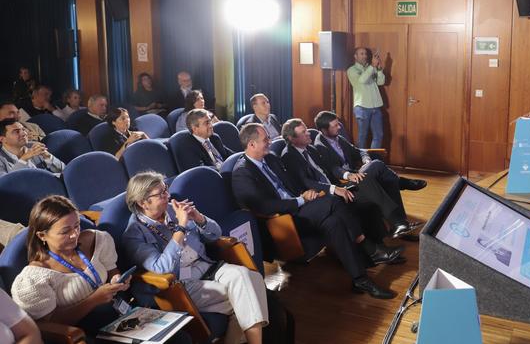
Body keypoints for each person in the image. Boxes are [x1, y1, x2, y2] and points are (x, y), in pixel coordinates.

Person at [231, 123, 400, 299]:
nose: (270, 141)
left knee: (334, 223)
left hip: (301, 206)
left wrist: (305, 194)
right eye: (266, 139)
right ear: (251, 145)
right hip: (283, 220)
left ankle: (360, 279)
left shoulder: (271, 158)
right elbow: (263, 207)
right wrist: (300, 200)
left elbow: (293, 184)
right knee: (335, 202)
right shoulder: (242, 173)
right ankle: (369, 248)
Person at [122, 171, 268, 344]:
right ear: (142, 202)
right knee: (248, 291)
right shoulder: (134, 233)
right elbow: (162, 267)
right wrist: (181, 226)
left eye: (166, 189)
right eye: (161, 194)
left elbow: (216, 234)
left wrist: (198, 218)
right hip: (179, 284)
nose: (168, 196)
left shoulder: (172, 209)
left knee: (250, 277)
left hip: (207, 266)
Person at [10, 196, 147, 343]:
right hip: (82, 335)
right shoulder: (33, 279)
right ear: (42, 235)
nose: (75, 234)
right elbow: (48, 326)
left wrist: (117, 279)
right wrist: (95, 299)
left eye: (77, 225)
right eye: (65, 231)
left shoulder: (96, 240)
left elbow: (112, 270)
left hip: (117, 317)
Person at [281, 118, 416, 241]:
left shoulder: (309, 148)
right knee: (373, 176)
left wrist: (347, 175)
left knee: (374, 178)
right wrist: (334, 188)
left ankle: (397, 226)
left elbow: (331, 167)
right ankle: (398, 222)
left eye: (306, 130)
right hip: (327, 195)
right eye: (303, 132)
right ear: (292, 138)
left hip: (340, 184)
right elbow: (307, 182)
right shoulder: (289, 156)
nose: (308, 133)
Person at [313, 111, 427, 192]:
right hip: (344, 180)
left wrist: (366, 159)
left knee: (375, 160)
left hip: (355, 172)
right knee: (377, 164)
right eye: (335, 125)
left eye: (338, 124)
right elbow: (333, 168)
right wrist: (349, 175)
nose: (339, 127)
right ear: (324, 129)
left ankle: (399, 185)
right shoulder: (320, 146)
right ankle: (401, 183)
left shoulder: (338, 138)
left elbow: (358, 151)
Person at [347, 47, 386, 148]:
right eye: (361, 54)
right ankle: (361, 161)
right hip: (362, 107)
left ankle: (374, 161)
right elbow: (362, 80)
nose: (365, 56)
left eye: (365, 54)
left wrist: (379, 69)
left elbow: (381, 82)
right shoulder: (352, 70)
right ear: (355, 56)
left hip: (376, 107)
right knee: (362, 136)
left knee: (379, 135)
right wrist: (372, 66)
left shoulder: (370, 68)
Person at [0, 119, 64, 176]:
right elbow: (7, 184)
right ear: (2, 139)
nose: (24, 133)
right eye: (17, 131)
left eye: (23, 129)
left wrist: (48, 157)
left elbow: (63, 170)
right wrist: (24, 159)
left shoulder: (33, 146)